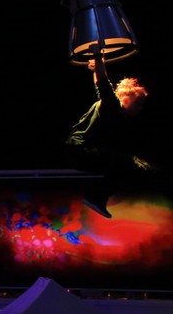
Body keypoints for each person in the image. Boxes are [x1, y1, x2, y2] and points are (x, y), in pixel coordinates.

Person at [65, 55, 158, 218]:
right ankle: (96, 197)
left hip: (79, 150)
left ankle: (98, 196)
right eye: (138, 103)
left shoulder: (110, 106)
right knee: (129, 162)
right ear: (125, 98)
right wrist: (98, 57)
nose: (140, 108)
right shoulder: (113, 105)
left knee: (131, 162)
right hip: (79, 151)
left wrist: (96, 68)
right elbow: (103, 82)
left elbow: (98, 83)